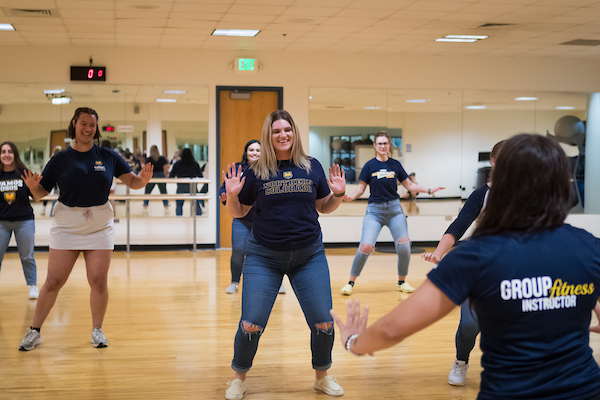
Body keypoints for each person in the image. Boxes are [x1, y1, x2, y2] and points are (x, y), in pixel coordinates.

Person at [331, 133, 600, 400]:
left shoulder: (475, 256)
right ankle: (461, 359)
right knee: (469, 325)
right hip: (586, 390)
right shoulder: (589, 246)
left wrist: (353, 342)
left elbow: (392, 330)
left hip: (512, 394)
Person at [222, 110, 346, 400]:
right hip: (264, 257)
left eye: (287, 130)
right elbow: (240, 212)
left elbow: (323, 206)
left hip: (309, 256)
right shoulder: (256, 170)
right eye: (276, 131)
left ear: (294, 132)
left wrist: (338, 194)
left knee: (323, 322)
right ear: (269, 135)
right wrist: (231, 196)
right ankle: (239, 377)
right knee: (251, 323)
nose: (282, 135)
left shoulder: (311, 166)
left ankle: (322, 376)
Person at [18, 107, 153, 351]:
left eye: (92, 125)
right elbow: (41, 194)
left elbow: (132, 181)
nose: (88, 128)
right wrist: (32, 187)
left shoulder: (108, 156)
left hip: (99, 225)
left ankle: (97, 330)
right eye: (83, 123)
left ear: (96, 128)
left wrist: (142, 180)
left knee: (99, 280)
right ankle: (34, 331)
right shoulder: (60, 159)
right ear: (74, 124)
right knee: (53, 281)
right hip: (67, 225)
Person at [421, 140, 504, 386]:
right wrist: (439, 253)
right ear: (493, 161)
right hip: (481, 265)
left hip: (515, 267)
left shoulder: (528, 193)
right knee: (470, 323)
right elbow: (459, 226)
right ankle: (461, 361)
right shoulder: (482, 194)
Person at [340, 131, 444, 296]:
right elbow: (361, 188)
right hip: (374, 211)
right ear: (375, 146)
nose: (382, 146)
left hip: (395, 211)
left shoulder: (395, 165)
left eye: (385, 143)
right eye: (379, 143)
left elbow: (409, 185)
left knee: (404, 247)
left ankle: (401, 281)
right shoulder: (369, 166)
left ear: (389, 146)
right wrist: (350, 197)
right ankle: (350, 282)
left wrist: (429, 190)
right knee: (366, 246)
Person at [219, 140, 286, 295]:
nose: (255, 153)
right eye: (251, 150)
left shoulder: (270, 170)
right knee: (238, 249)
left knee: (273, 251)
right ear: (246, 152)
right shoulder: (238, 169)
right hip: (242, 219)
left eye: (258, 150)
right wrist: (225, 197)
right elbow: (225, 190)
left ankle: (278, 282)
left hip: (266, 220)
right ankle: (234, 282)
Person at [0, 141, 38, 299]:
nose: (6, 155)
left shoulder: (24, 173)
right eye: (3, 152)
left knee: (27, 256)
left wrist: (36, 186)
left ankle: (33, 286)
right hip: (1, 222)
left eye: (10, 151)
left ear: (15, 154)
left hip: (24, 221)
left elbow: (36, 197)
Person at [169, 148, 203, 216]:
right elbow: (200, 176)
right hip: (192, 186)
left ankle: (179, 219)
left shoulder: (177, 164)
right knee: (196, 204)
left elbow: (171, 176)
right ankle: (199, 219)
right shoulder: (195, 164)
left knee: (179, 205)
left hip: (181, 187)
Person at [142, 145, 169, 216]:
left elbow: (146, 169)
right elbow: (166, 168)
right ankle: (166, 208)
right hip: (161, 175)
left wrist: (146, 177)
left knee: (147, 192)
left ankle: (145, 207)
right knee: (163, 192)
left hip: (151, 175)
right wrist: (165, 175)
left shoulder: (148, 159)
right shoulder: (162, 158)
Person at [41, 146, 62, 217]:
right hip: (54, 180)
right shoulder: (52, 160)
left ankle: (47, 210)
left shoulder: (53, 159)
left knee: (54, 196)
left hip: (57, 181)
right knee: (50, 194)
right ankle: (46, 211)